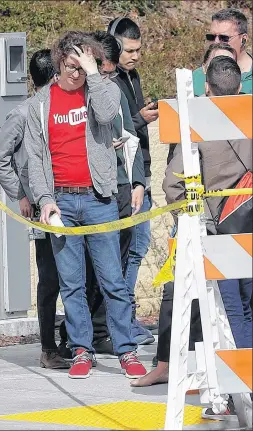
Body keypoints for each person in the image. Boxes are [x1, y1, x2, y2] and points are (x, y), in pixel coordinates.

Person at [25, 31, 147, 380]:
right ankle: (81, 350)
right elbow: (35, 160)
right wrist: (45, 200)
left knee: (112, 279)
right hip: (62, 200)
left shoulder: (98, 91)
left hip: (99, 198)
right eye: (70, 66)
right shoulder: (40, 105)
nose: (75, 74)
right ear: (58, 64)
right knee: (72, 282)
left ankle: (126, 350)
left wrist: (94, 73)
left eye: (82, 66)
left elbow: (110, 116)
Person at [138, 56, 252, 421]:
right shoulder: (248, 112)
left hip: (221, 230)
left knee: (232, 312)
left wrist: (189, 224)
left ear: (206, 87)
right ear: (239, 85)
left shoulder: (196, 122)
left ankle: (241, 390)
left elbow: (174, 185)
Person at [57, 31, 146, 357]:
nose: (102, 76)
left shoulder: (113, 89)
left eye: (106, 71)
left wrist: (137, 182)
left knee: (114, 270)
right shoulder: (64, 96)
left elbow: (131, 137)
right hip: (82, 194)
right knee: (80, 276)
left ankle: (115, 337)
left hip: (117, 190)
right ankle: (84, 337)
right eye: (99, 70)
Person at [0, 50, 68, 370]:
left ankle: (72, 340)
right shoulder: (23, 114)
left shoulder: (66, 110)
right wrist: (20, 194)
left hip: (74, 204)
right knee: (50, 280)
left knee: (78, 277)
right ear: (53, 77)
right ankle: (48, 349)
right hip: (43, 210)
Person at [108, 17, 157, 345]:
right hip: (124, 181)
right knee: (131, 249)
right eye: (129, 50)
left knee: (137, 248)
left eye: (138, 50)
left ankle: (124, 317)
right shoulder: (109, 83)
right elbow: (120, 129)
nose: (134, 56)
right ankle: (120, 320)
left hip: (142, 174)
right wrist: (142, 118)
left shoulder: (133, 77)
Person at [193, 8, 252, 96]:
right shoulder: (197, 77)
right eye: (211, 37)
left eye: (224, 38)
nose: (216, 42)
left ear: (243, 39)